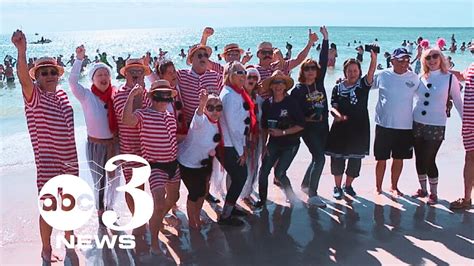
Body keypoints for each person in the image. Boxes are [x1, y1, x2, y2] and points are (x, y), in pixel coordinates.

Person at [11, 29, 78, 263]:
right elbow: (22, 78)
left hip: (70, 160)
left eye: (52, 72)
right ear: (37, 77)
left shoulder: (63, 95)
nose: (50, 75)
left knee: (69, 204)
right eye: (44, 73)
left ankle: (69, 240)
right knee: (49, 209)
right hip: (48, 163)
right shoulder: (34, 96)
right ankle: (46, 249)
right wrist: (22, 52)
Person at [122, 80, 180, 257]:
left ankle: (158, 219)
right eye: (158, 96)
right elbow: (127, 120)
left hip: (173, 164)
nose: (162, 100)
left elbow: (173, 140)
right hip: (155, 166)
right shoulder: (143, 114)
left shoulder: (170, 117)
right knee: (159, 202)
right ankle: (154, 242)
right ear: (152, 98)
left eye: (166, 96)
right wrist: (131, 97)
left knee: (174, 197)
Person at [68, 45, 120, 224]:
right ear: (93, 79)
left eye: (106, 75)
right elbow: (73, 82)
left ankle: (110, 208)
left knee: (114, 180)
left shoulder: (116, 95)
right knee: (100, 179)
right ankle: (100, 210)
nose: (104, 78)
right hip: (95, 145)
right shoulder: (86, 96)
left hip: (114, 144)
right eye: (100, 75)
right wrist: (79, 59)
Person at [411, 48, 463, 205]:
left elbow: (458, 101)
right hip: (417, 121)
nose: (432, 60)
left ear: (441, 58)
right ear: (423, 61)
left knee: (429, 158)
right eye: (428, 58)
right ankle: (423, 189)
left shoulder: (449, 78)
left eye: (435, 56)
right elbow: (408, 96)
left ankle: (434, 193)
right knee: (419, 157)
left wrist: (466, 122)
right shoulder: (420, 77)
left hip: (437, 124)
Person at [325, 50, 377, 200]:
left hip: (359, 128)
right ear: (345, 72)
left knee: (355, 161)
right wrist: (337, 115)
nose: (352, 73)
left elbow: (371, 71)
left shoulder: (363, 85)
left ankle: (348, 186)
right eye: (349, 71)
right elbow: (333, 106)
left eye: (355, 70)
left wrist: (373, 58)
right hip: (339, 128)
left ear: (359, 72)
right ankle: (337, 186)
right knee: (337, 159)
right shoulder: (337, 88)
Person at [372, 48, 420, 196]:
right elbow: (365, 85)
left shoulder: (414, 77)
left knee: (399, 159)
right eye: (400, 60)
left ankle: (394, 186)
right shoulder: (382, 75)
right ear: (392, 61)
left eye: (407, 60)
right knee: (381, 159)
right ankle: (378, 188)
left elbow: (426, 95)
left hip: (405, 127)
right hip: (384, 124)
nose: (404, 63)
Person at [290, 26, 329, 207]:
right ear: (303, 71)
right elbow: (294, 114)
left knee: (317, 157)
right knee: (320, 157)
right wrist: (308, 119)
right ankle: (312, 194)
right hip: (309, 129)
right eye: (307, 69)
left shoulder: (319, 84)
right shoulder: (298, 90)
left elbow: (323, 57)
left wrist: (325, 38)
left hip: (323, 126)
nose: (311, 71)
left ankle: (306, 185)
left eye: (313, 68)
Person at [255, 70, 305, 208]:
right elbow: (264, 127)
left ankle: (291, 196)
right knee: (263, 171)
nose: (278, 86)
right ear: (270, 86)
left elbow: (301, 125)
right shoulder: (267, 104)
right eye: (275, 82)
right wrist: (264, 146)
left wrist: (282, 132)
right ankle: (262, 201)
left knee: (279, 173)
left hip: (291, 143)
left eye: (281, 82)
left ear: (285, 86)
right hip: (273, 143)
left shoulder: (291, 103)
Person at [112, 58, 151, 225]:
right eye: (132, 71)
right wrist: (135, 94)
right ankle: (138, 218)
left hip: (148, 145)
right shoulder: (120, 94)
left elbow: (152, 115)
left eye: (139, 71)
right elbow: (128, 118)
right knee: (133, 185)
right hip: (129, 146)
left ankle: (144, 216)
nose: (136, 74)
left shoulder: (148, 94)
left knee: (148, 185)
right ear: (125, 73)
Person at [217, 61, 255, 226]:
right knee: (241, 176)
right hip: (228, 145)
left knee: (238, 176)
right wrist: (241, 151)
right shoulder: (230, 96)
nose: (243, 75)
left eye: (244, 72)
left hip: (230, 143)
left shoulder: (234, 92)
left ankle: (230, 208)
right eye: (239, 72)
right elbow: (233, 127)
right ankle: (226, 216)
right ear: (229, 75)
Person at [178, 90, 222, 229]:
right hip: (188, 163)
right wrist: (202, 104)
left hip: (203, 163)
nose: (215, 111)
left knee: (203, 192)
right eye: (210, 107)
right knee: (194, 193)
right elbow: (198, 114)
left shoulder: (218, 124)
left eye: (218, 107)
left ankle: (197, 216)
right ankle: (192, 222)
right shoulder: (200, 121)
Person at [449, 62, 474, 209]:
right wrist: (442, 68)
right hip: (469, 123)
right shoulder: (471, 67)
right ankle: (466, 199)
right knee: (469, 158)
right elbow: (461, 76)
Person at [240, 67, 264, 204]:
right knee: (242, 166)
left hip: (256, 138)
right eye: (249, 77)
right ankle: (239, 194)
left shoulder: (259, 100)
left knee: (254, 165)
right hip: (242, 138)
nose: (252, 80)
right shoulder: (238, 97)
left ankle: (247, 193)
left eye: (255, 78)